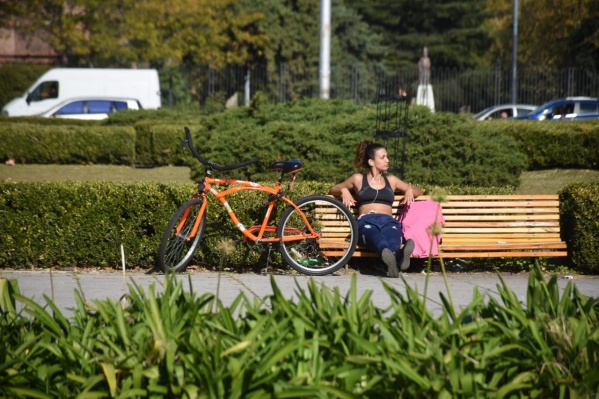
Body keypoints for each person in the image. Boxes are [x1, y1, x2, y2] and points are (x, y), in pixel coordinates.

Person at [329, 141, 423, 277]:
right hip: (366, 221)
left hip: (388, 221)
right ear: (371, 162)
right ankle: (396, 259)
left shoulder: (392, 180)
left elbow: (418, 191)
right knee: (376, 237)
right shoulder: (358, 179)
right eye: (383, 157)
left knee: (392, 239)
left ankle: (397, 258)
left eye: (387, 157)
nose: (387, 160)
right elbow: (333, 189)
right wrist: (343, 189)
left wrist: (409, 190)